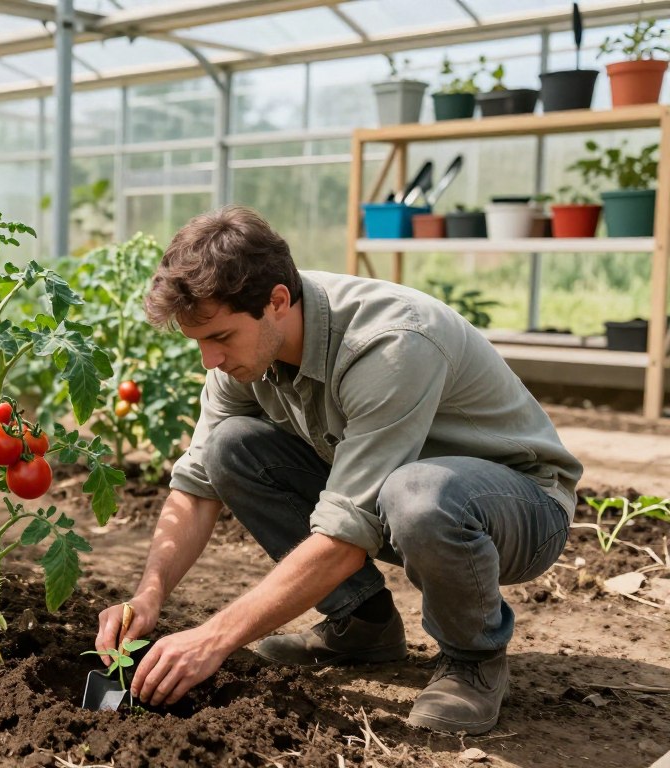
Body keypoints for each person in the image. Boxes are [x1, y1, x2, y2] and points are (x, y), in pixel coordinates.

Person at [95, 205, 582, 735]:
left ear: (277, 301)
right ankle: (363, 625)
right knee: (229, 448)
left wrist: (213, 639)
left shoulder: (389, 343)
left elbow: (346, 535)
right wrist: (149, 594)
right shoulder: (248, 349)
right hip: (396, 502)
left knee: (416, 493)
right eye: (199, 342)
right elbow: (196, 487)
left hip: (518, 509)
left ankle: (473, 658)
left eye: (221, 338)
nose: (209, 360)